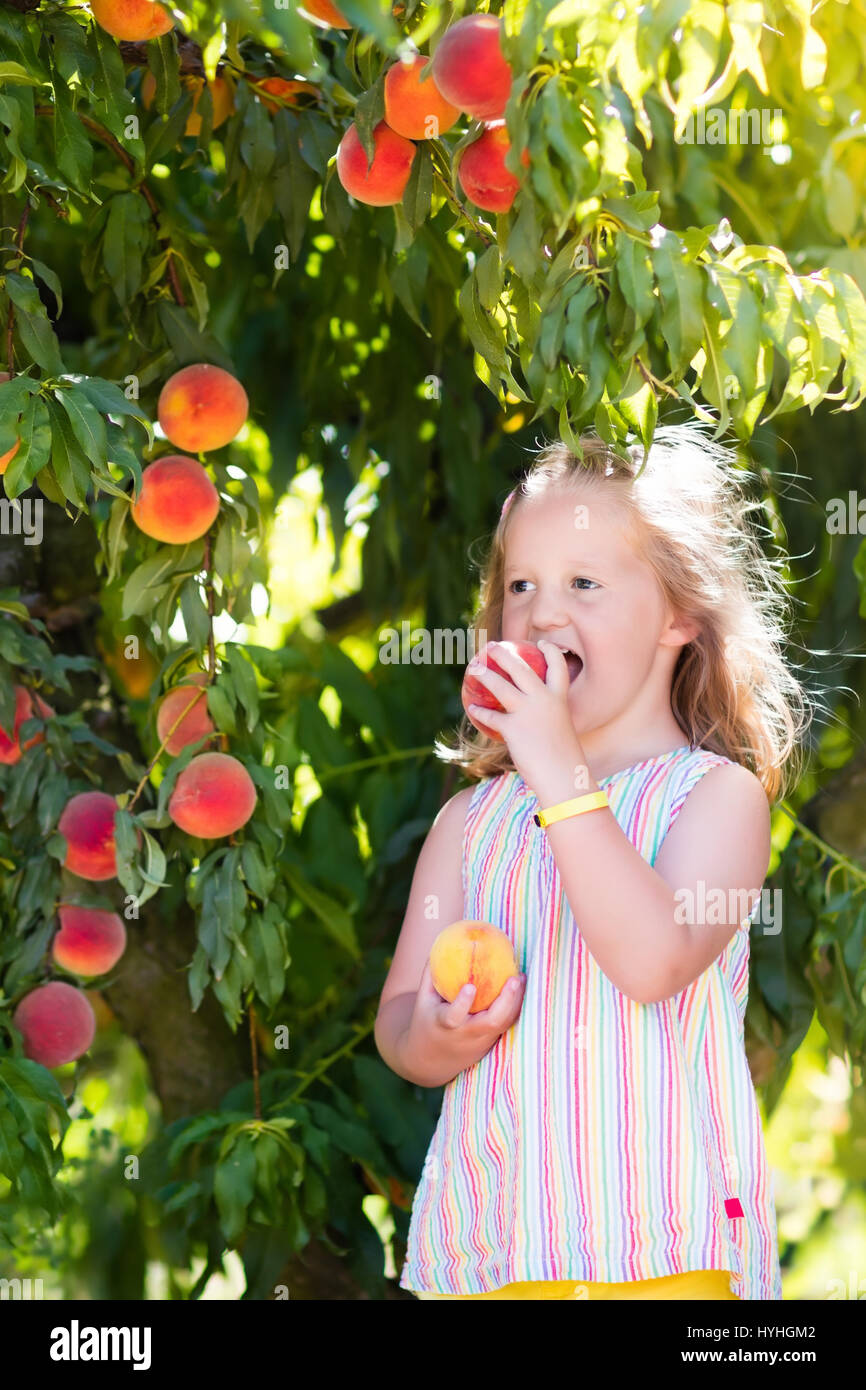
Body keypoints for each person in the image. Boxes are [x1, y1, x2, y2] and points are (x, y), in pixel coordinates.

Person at [374, 423, 815, 1300]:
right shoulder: (471, 823)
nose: (541, 612)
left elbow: (653, 959)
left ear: (680, 616)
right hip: (495, 1260)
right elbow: (398, 1026)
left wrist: (556, 768)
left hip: (666, 1259)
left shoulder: (713, 799)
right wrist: (437, 1032)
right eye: (521, 585)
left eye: (584, 583)